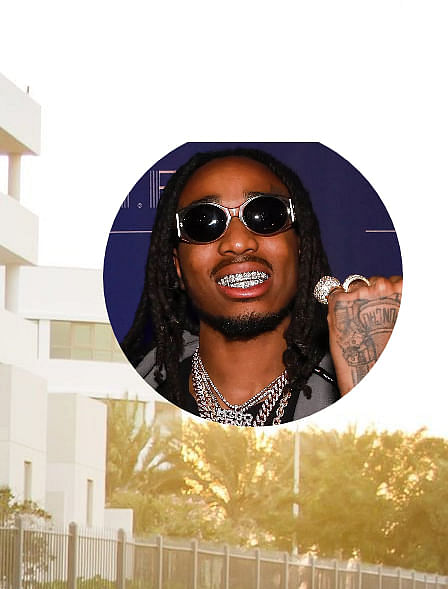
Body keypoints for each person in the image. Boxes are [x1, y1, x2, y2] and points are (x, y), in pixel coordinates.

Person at [119, 147, 401, 426]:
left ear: (301, 249)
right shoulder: (124, 399)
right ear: (177, 267)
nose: (239, 242)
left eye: (266, 215)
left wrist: (368, 376)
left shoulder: (357, 371)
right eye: (203, 222)